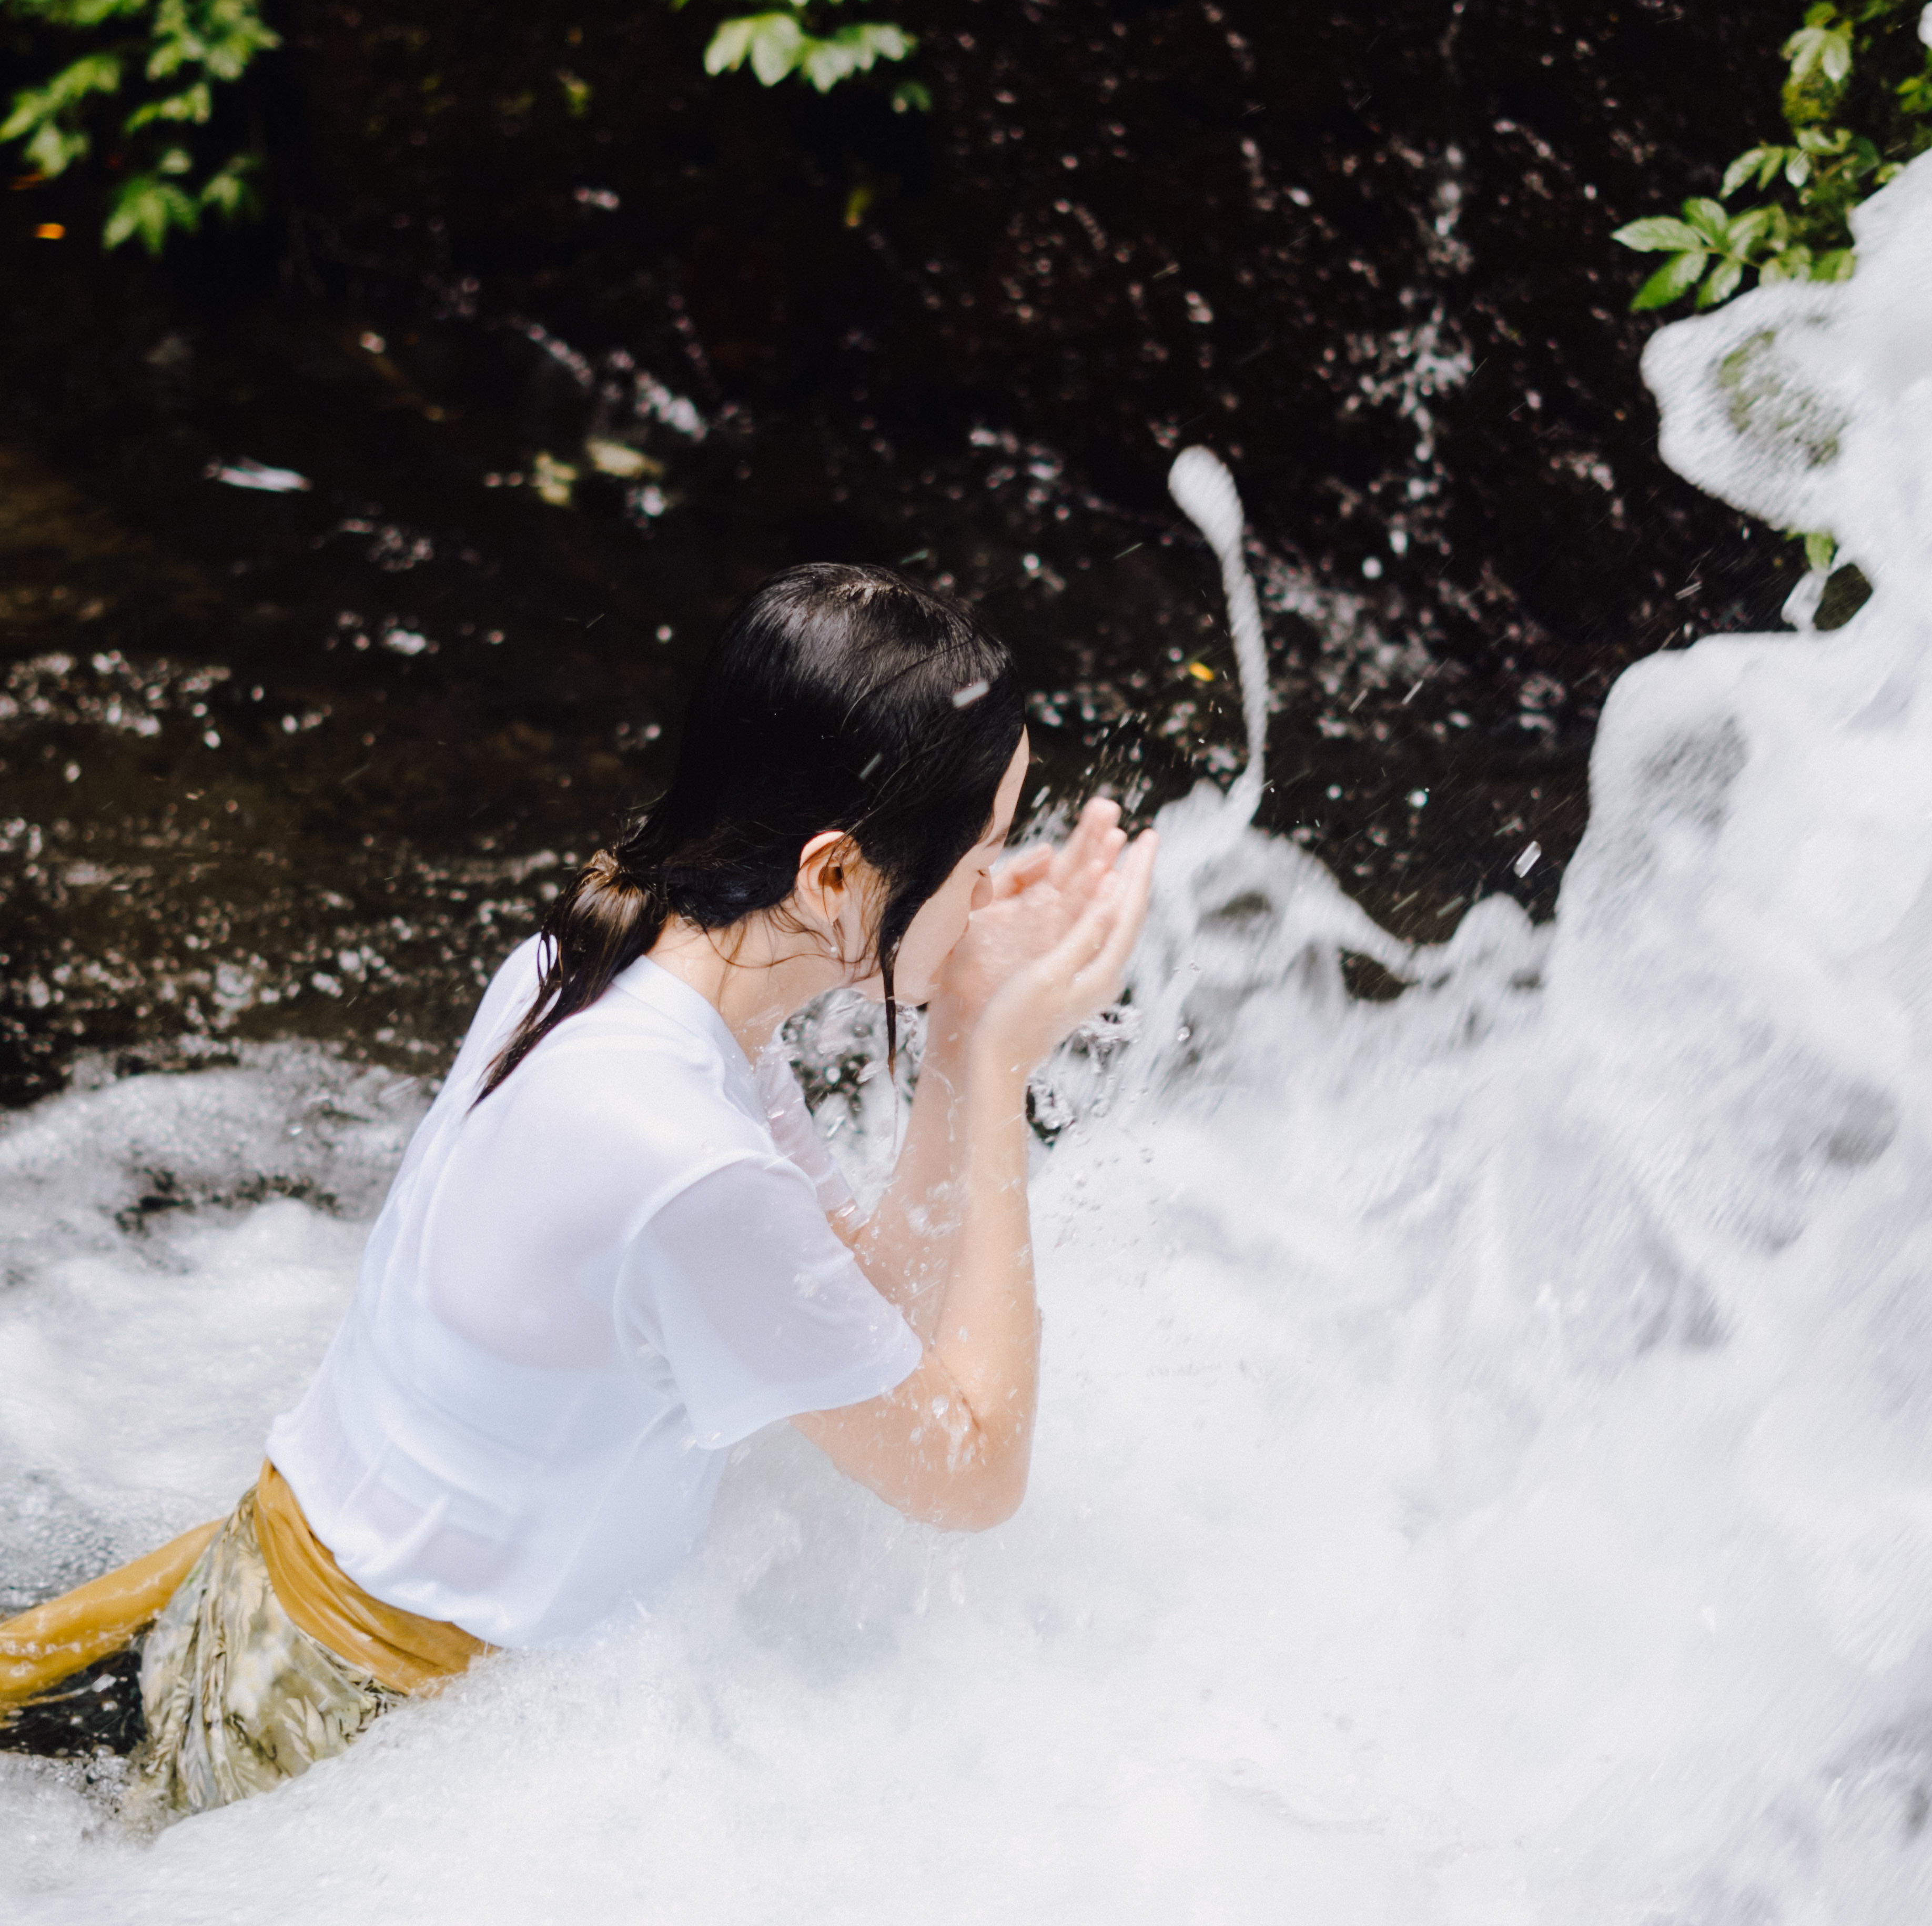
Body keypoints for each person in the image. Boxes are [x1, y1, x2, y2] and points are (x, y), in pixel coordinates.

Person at [0, 564, 1156, 1818]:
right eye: (979, 855)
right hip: (347, 1723)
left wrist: (961, 1015)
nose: (991, 890)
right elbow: (972, 1477)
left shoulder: (613, 966)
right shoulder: (684, 1161)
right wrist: (992, 1071)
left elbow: (865, 1308)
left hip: (279, 1597)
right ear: (833, 877)